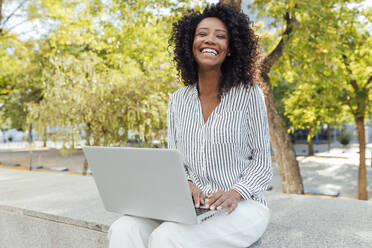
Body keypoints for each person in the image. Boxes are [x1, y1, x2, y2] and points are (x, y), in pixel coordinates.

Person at [107, 3, 272, 248]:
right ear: (190, 44)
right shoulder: (177, 100)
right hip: (189, 206)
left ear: (230, 49)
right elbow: (176, 162)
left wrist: (235, 192)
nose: (210, 40)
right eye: (202, 34)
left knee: (168, 237)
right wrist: (186, 183)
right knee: (123, 228)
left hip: (243, 205)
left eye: (220, 36)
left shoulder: (249, 94)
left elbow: (262, 161)